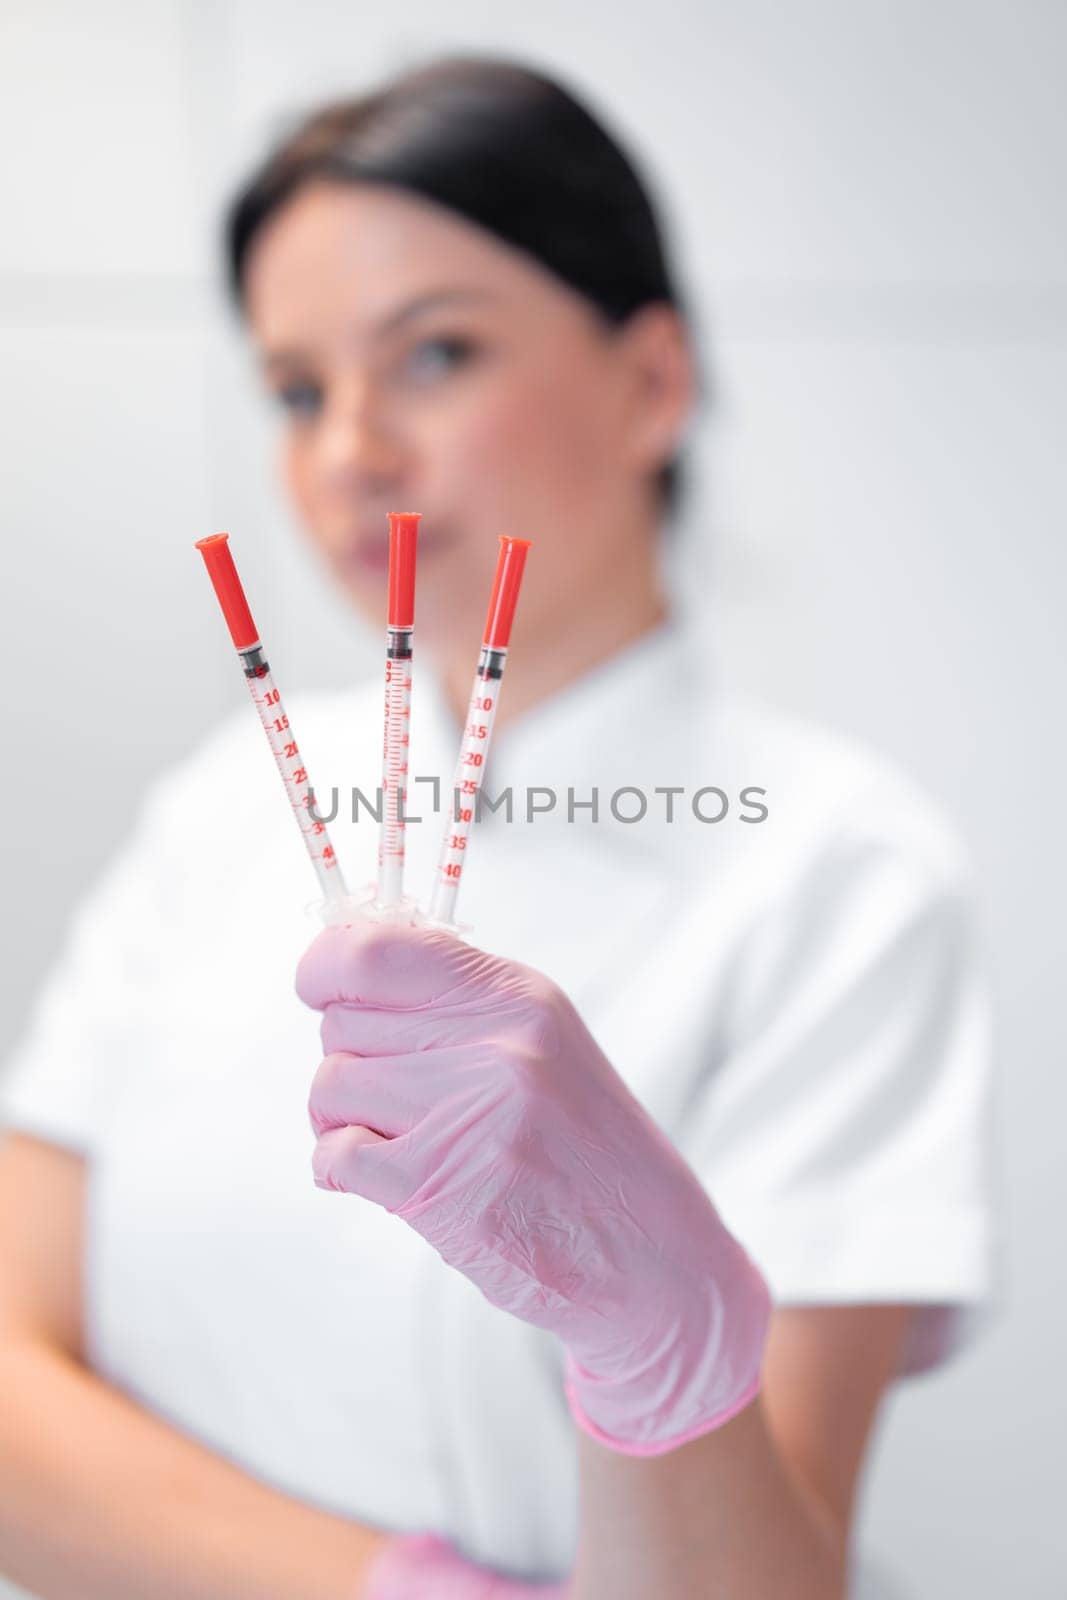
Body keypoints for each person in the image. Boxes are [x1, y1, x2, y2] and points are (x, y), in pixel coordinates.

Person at [0, 56, 996, 1600]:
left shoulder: (842, 869)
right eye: (296, 389)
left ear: (651, 383)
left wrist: (659, 1340)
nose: (351, 452)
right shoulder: (221, 806)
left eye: (436, 354)